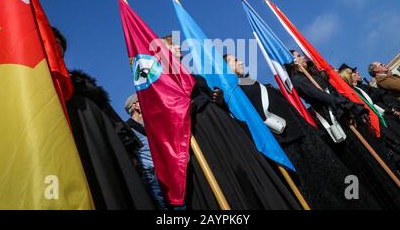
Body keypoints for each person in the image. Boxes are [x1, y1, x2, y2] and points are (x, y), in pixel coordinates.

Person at [161, 35, 301, 210]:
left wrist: (217, 100)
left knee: (247, 172)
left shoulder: (196, 77)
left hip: (223, 129)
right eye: (173, 46)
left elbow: (214, 100)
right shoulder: (164, 87)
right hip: (202, 137)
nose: (179, 48)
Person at [224, 54, 376, 210]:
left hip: (304, 134)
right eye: (234, 61)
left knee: (338, 179)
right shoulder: (234, 94)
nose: (241, 61)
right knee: (321, 192)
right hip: (287, 146)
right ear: (225, 68)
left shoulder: (252, 82)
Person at [287, 52, 400, 209]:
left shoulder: (311, 74)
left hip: (347, 113)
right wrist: (343, 105)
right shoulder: (298, 79)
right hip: (339, 120)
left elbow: (332, 91)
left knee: (379, 156)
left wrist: (352, 107)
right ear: (291, 62)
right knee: (368, 163)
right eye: (298, 56)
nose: (303, 57)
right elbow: (321, 96)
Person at [52, 27, 155, 210]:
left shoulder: (85, 85)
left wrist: (130, 152)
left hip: (106, 149)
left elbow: (113, 121)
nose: (57, 45)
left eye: (59, 42)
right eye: (52, 40)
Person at [339, 66, 400, 204]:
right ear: (348, 77)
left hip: (389, 119)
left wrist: (392, 108)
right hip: (382, 126)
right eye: (353, 73)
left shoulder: (362, 87)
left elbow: (379, 98)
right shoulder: (353, 93)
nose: (357, 73)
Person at [124, 94, 168, 210]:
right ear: (136, 105)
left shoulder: (155, 124)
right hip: (151, 177)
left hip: (169, 174)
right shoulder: (126, 129)